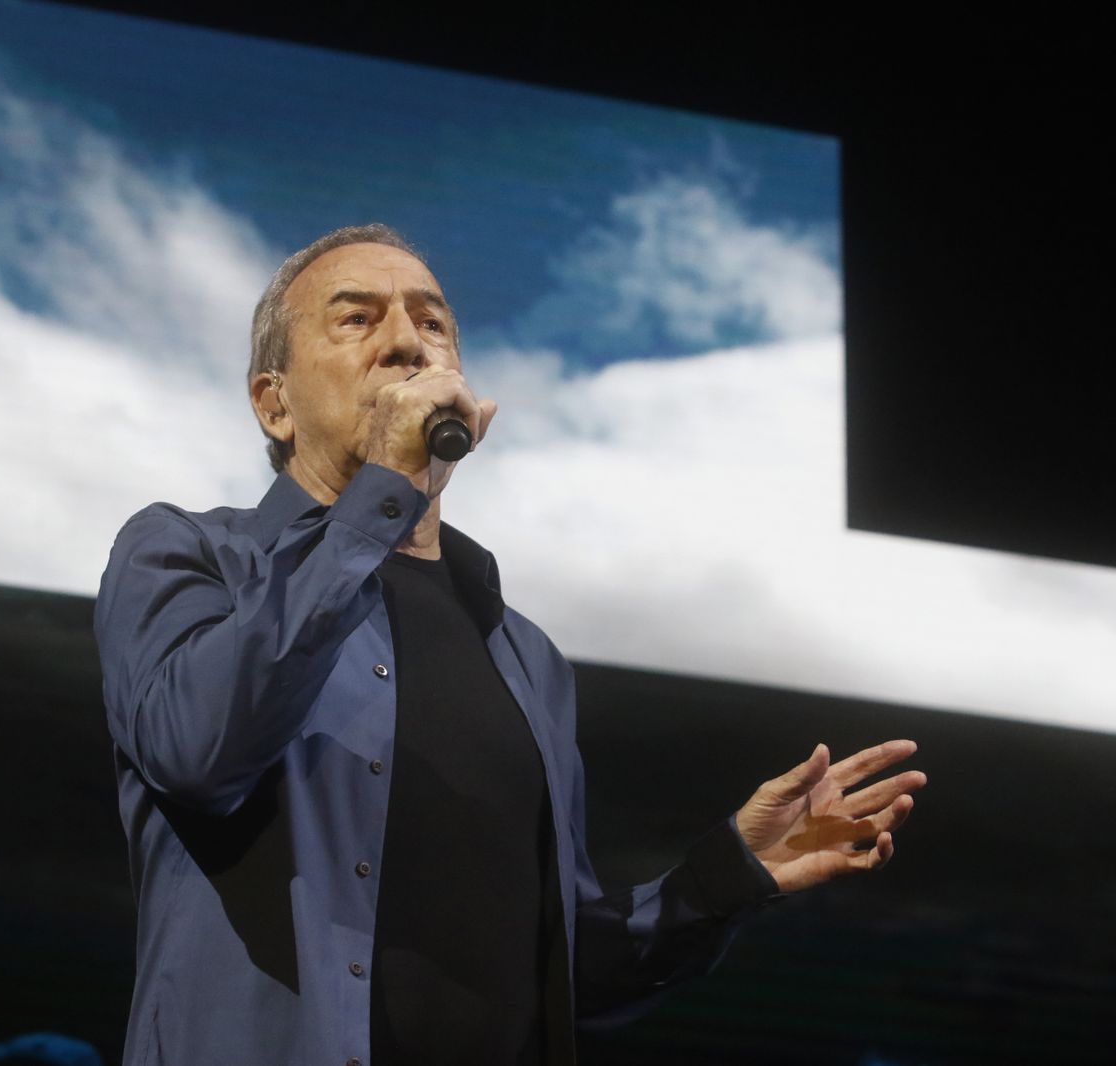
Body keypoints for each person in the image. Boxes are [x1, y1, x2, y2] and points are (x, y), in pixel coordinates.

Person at [93, 224, 925, 1065]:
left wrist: (729, 874)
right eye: (356, 320)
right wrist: (380, 492)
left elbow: (563, 973)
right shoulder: (189, 556)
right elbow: (198, 748)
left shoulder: (526, 657)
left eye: (432, 322)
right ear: (273, 402)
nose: (405, 344)